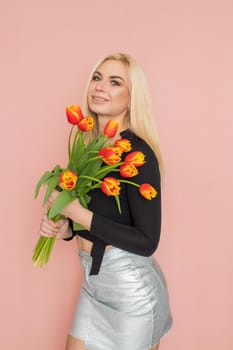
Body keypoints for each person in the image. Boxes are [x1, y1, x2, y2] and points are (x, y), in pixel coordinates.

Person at [40, 53, 173, 350]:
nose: (100, 87)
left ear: (130, 99)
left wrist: (78, 213)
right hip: (92, 282)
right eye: (97, 78)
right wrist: (66, 229)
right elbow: (102, 217)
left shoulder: (138, 156)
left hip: (130, 292)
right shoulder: (88, 149)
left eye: (115, 82)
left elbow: (147, 240)